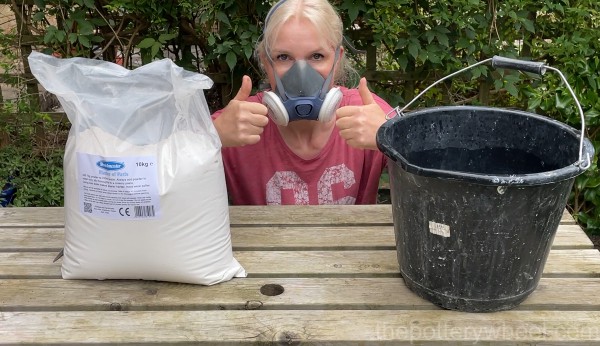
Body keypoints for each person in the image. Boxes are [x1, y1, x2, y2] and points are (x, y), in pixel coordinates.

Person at [211, 0, 392, 205]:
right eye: (283, 57)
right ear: (265, 61)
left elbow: (431, 163)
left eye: (317, 56)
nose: (301, 75)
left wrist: (392, 137)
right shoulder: (239, 123)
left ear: (337, 59)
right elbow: (169, 169)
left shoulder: (366, 114)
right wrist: (212, 137)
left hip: (348, 238)